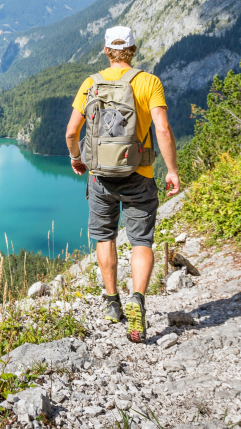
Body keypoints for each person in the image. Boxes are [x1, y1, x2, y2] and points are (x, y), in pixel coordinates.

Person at [65, 25, 180, 343]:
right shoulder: (148, 82)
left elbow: (71, 132)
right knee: (141, 241)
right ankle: (137, 300)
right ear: (133, 50)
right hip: (138, 175)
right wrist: (171, 170)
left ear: (105, 51)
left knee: (105, 236)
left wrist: (77, 158)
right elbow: (163, 129)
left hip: (100, 176)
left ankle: (112, 302)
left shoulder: (91, 83)